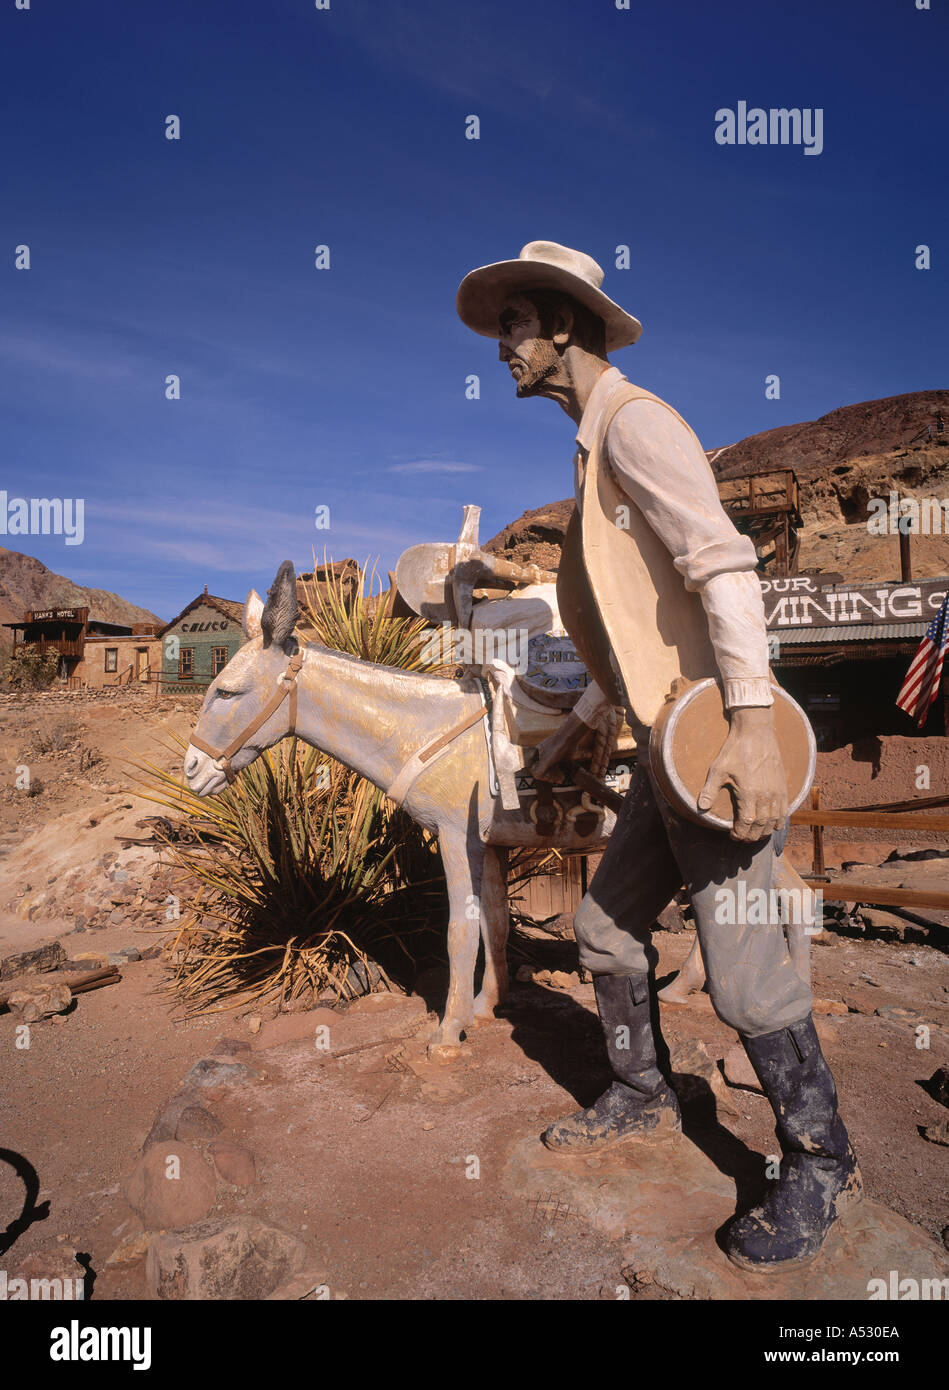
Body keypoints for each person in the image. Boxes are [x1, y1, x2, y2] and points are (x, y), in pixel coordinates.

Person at [456, 241, 862, 1273]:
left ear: (561, 324)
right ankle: (642, 1088)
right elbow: (637, 633)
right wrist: (590, 726)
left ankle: (818, 1160)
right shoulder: (592, 451)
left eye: (513, 324)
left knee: (748, 975)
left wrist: (755, 730)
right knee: (600, 924)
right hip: (665, 753)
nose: (501, 346)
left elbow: (724, 567)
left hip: (715, 747)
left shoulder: (635, 423)